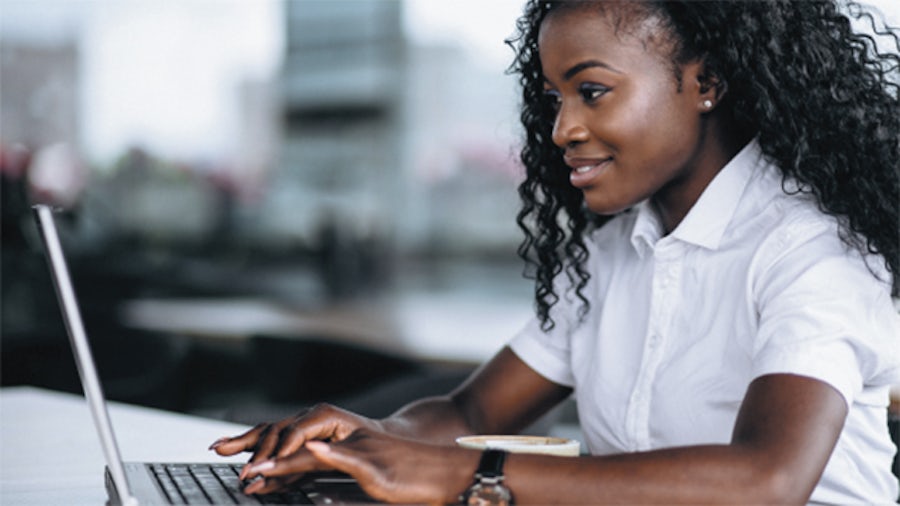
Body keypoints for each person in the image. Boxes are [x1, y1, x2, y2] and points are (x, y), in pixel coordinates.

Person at [210, 1, 900, 503]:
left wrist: (471, 475)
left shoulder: (811, 251)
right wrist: (366, 439)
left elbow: (766, 481)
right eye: (554, 99)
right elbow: (472, 416)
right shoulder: (612, 252)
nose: (563, 128)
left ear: (707, 83)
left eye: (592, 92)